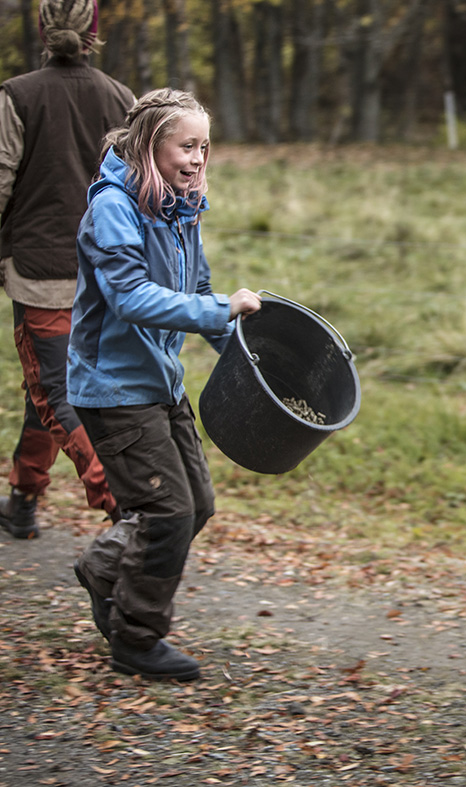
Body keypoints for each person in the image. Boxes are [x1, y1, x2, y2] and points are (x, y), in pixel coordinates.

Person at [69, 87, 262, 681]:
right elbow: (128, 297)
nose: (199, 158)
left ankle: (103, 567)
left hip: (160, 381)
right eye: (187, 146)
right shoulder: (113, 206)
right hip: (113, 386)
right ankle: (136, 636)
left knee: (195, 504)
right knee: (167, 510)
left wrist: (244, 354)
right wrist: (218, 312)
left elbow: (198, 289)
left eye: (205, 146)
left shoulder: (180, 208)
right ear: (152, 143)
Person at [0, 0, 133, 539]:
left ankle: (130, 511)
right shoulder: (121, 97)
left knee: (57, 394)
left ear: (41, 29)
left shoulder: (17, 96)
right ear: (94, 31)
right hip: (108, 277)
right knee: (54, 389)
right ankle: (22, 498)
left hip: (42, 273)